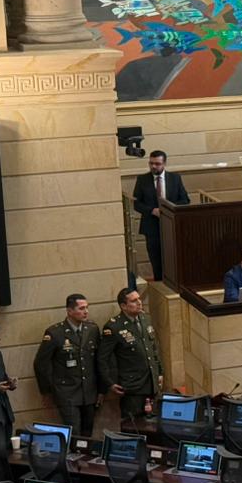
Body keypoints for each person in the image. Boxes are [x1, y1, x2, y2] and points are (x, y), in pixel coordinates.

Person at [33, 293, 99, 436]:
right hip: (67, 392)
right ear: (69, 311)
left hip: (89, 391)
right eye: (81, 308)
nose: (86, 311)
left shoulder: (92, 329)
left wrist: (101, 389)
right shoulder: (55, 333)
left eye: (87, 308)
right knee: (74, 431)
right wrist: (47, 391)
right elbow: (41, 364)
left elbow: (98, 360)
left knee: (88, 432)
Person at [97, 287, 163, 425]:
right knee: (134, 427)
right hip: (133, 387)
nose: (139, 302)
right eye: (134, 301)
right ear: (123, 306)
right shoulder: (113, 327)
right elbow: (102, 358)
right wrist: (109, 383)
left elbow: (154, 348)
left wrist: (160, 372)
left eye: (139, 299)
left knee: (155, 426)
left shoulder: (145, 319)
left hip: (152, 383)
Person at [131, 149, 190, 281]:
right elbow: (136, 203)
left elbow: (185, 200)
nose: (154, 166)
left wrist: (169, 210)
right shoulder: (142, 179)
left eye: (157, 164)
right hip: (151, 226)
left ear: (164, 164)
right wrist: (152, 210)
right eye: (151, 163)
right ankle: (159, 285)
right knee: (155, 259)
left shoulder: (175, 178)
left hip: (171, 225)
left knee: (173, 258)